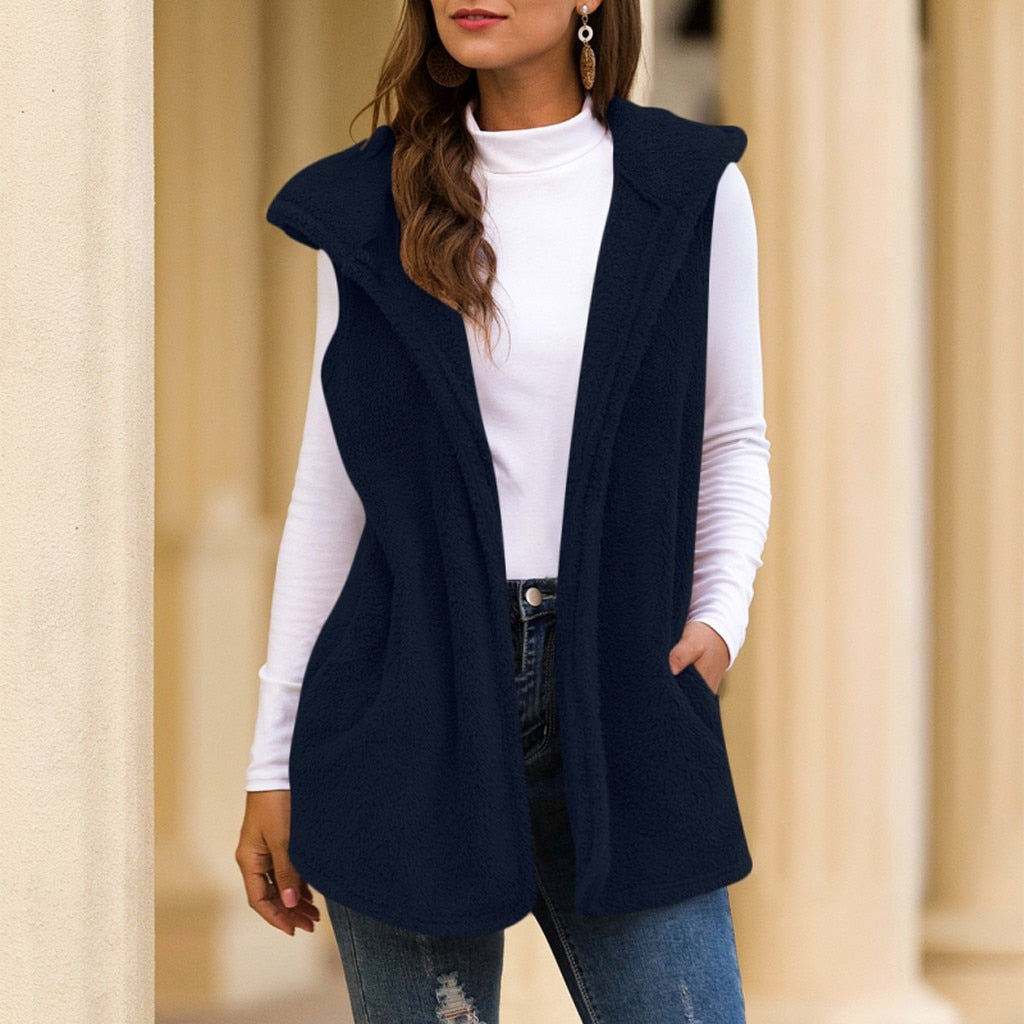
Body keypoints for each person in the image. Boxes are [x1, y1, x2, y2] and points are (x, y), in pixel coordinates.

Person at [235, 1, 770, 1021]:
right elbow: (332, 490)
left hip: (626, 690)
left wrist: (719, 616)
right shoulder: (371, 204)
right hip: (404, 695)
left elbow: (731, 435)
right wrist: (272, 759)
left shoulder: (688, 187)